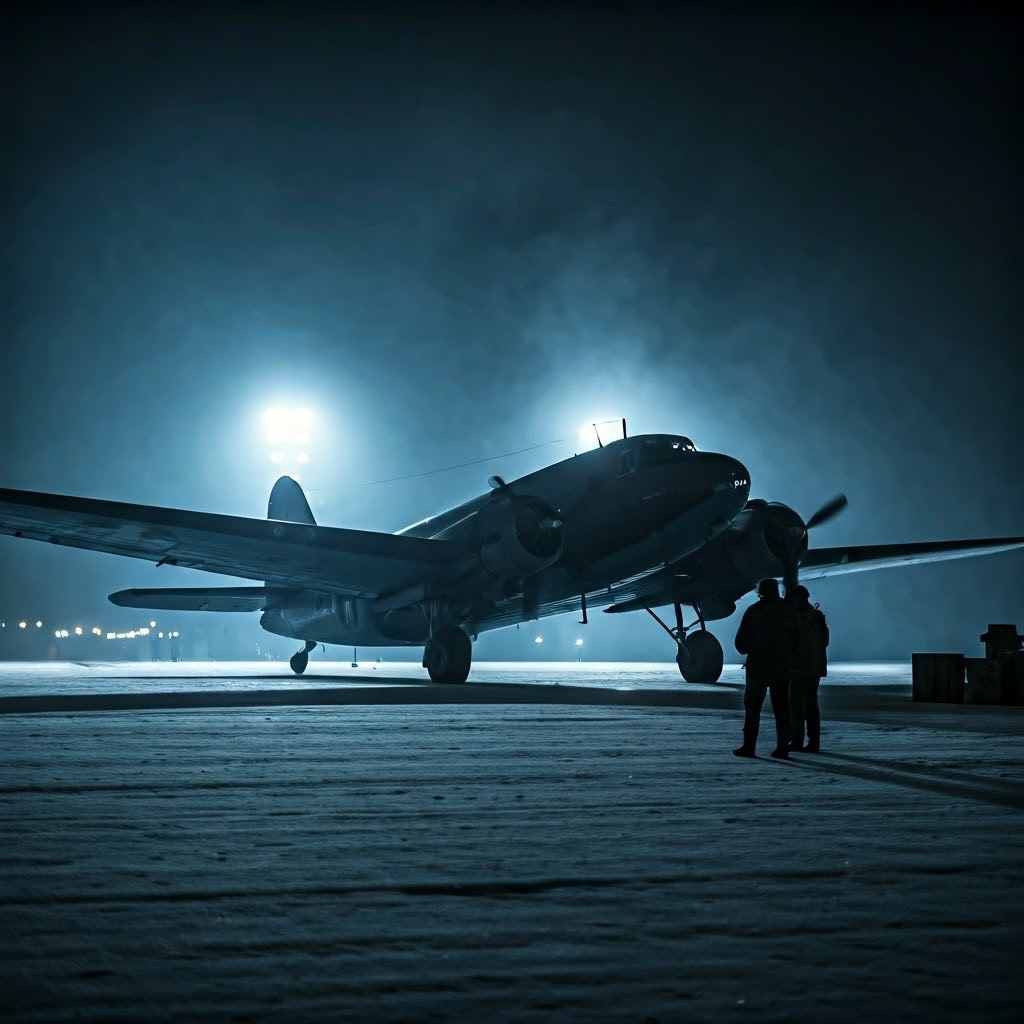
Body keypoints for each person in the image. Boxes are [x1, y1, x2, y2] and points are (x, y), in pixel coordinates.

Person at [733, 577, 798, 759]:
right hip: (782, 666)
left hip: (758, 667)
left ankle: (749, 746)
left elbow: (741, 644)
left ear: (760, 593)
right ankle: (783, 748)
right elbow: (797, 639)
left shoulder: (755, 611)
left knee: (752, 709)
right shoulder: (790, 610)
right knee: (782, 709)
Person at [786, 584, 829, 753]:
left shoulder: (797, 619)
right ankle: (812, 742)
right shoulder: (817, 617)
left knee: (797, 705)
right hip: (813, 668)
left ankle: (797, 741)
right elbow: (825, 642)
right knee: (810, 705)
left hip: (799, 668)